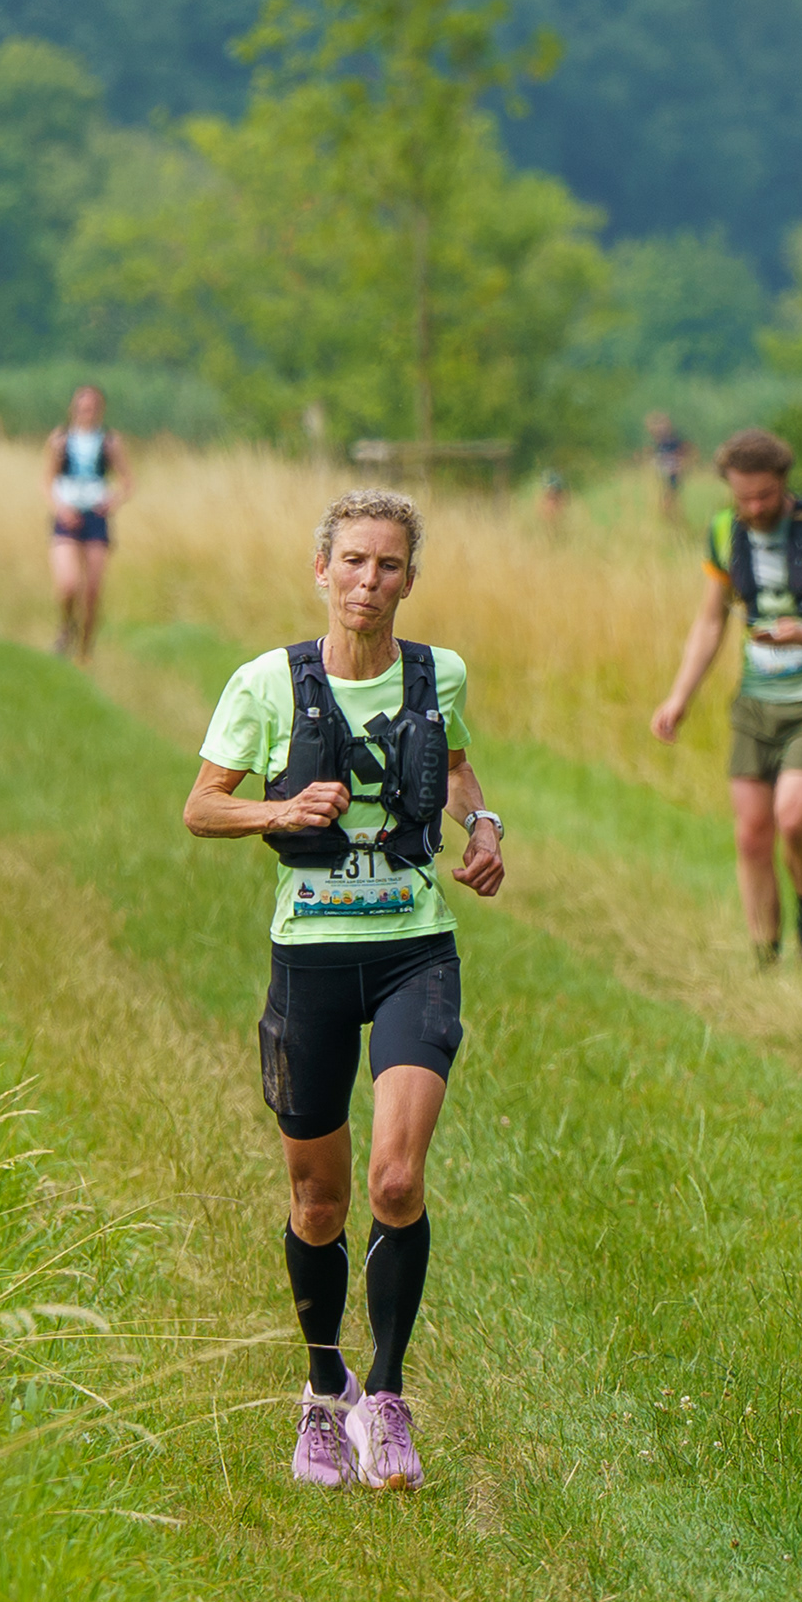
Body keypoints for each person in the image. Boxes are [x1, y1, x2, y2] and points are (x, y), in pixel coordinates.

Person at [181, 490, 508, 1493]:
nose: (370, 581)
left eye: (389, 565)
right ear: (321, 571)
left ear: (410, 578)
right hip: (310, 961)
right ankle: (325, 1394)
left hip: (415, 950)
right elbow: (202, 807)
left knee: (395, 1183)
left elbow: (456, 767)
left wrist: (483, 825)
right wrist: (282, 810)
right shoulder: (265, 684)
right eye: (354, 562)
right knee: (317, 1203)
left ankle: (390, 1397)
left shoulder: (438, 674)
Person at [650, 429, 802, 966]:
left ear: (784, 483)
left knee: (792, 819)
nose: (754, 507)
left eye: (765, 496)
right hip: (755, 701)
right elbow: (711, 621)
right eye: (743, 497)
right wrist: (679, 697)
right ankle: (765, 955)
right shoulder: (724, 531)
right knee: (752, 834)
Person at [43, 382, 132, 660]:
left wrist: (112, 502)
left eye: (92, 408)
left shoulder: (110, 441)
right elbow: (47, 480)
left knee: (92, 589)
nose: (87, 413)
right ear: (73, 409)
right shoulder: (60, 439)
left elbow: (128, 481)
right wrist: (60, 508)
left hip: (96, 516)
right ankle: (66, 627)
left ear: (100, 410)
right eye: (82, 408)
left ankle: (85, 647)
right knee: (68, 584)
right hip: (67, 514)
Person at [645, 410, 689, 520]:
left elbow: (684, 452)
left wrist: (680, 466)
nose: (659, 428)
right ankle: (672, 517)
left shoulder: (673, 440)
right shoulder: (660, 442)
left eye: (661, 425)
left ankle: (671, 517)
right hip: (664, 473)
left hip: (673, 473)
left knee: (669, 497)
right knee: (668, 496)